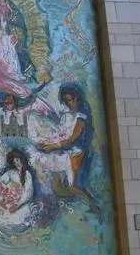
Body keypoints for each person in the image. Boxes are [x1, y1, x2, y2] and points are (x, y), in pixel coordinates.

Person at [38, 83, 99, 213]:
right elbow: (60, 133)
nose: (68, 104)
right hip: (64, 150)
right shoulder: (68, 114)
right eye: (65, 101)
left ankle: (93, 205)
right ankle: (76, 202)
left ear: (77, 98)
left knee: (73, 186)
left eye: (70, 100)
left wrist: (53, 146)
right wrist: (48, 142)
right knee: (56, 186)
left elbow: (72, 139)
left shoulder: (82, 116)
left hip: (76, 152)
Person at [0, 149, 35, 231]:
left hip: (21, 202)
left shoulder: (27, 174)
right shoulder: (11, 172)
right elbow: (0, 182)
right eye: (14, 162)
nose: (16, 163)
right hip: (9, 199)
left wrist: (17, 205)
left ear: (21, 159)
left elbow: (28, 192)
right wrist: (0, 193)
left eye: (17, 160)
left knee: (16, 220)